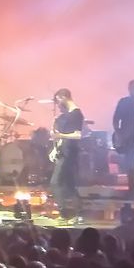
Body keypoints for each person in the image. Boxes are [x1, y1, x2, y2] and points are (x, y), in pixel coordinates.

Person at [50, 88, 85, 220]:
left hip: (70, 153)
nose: (58, 105)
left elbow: (77, 135)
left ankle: (64, 213)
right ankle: (79, 212)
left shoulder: (77, 114)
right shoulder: (66, 115)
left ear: (63, 97)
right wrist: (55, 149)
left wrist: (60, 134)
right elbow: (62, 138)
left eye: (58, 101)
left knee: (55, 182)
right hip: (63, 151)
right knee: (69, 185)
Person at [112, 79, 134, 173]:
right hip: (129, 139)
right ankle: (132, 185)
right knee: (130, 164)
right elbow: (116, 120)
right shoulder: (124, 102)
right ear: (129, 89)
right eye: (133, 88)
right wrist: (119, 134)